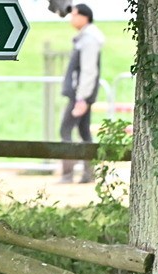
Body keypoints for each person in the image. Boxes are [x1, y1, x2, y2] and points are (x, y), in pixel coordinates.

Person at [59, 4, 104, 184]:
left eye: (74, 14)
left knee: (65, 130)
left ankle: (67, 174)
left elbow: (88, 70)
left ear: (84, 17)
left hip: (80, 95)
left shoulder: (88, 40)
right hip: (82, 95)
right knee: (84, 132)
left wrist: (81, 98)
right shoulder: (86, 38)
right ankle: (88, 173)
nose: (71, 17)